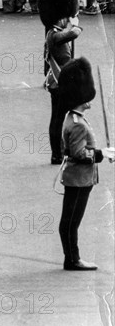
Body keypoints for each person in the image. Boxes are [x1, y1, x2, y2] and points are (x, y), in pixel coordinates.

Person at [57, 57, 115, 270]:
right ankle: (73, 259)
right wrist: (102, 153)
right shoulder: (78, 124)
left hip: (76, 177)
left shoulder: (73, 117)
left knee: (70, 221)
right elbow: (80, 153)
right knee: (71, 222)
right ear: (80, 97)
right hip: (79, 179)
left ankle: (72, 258)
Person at [39, 0, 80, 165]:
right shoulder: (54, 36)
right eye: (64, 18)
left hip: (62, 80)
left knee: (62, 117)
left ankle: (62, 150)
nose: (66, 20)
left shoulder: (54, 31)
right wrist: (77, 24)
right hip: (59, 82)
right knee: (59, 119)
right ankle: (58, 152)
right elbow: (73, 33)